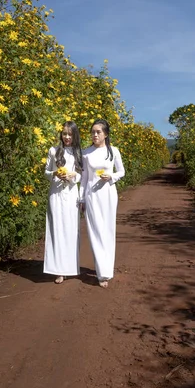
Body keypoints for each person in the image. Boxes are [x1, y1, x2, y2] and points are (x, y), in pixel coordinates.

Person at [80, 119, 125, 288]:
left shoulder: (113, 151)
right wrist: (81, 198)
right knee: (95, 232)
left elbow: (121, 171)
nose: (95, 135)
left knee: (108, 230)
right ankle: (102, 272)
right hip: (92, 195)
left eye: (98, 132)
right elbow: (84, 179)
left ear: (106, 134)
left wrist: (111, 177)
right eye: (93, 132)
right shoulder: (86, 153)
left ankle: (107, 269)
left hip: (108, 194)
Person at [43, 121, 83, 284]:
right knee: (56, 230)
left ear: (74, 135)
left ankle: (69, 267)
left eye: (70, 134)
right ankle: (58, 270)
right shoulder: (53, 151)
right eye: (64, 134)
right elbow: (46, 172)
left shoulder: (78, 152)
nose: (67, 137)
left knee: (70, 230)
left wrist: (73, 176)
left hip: (71, 193)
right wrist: (55, 174)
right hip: (56, 194)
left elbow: (82, 174)